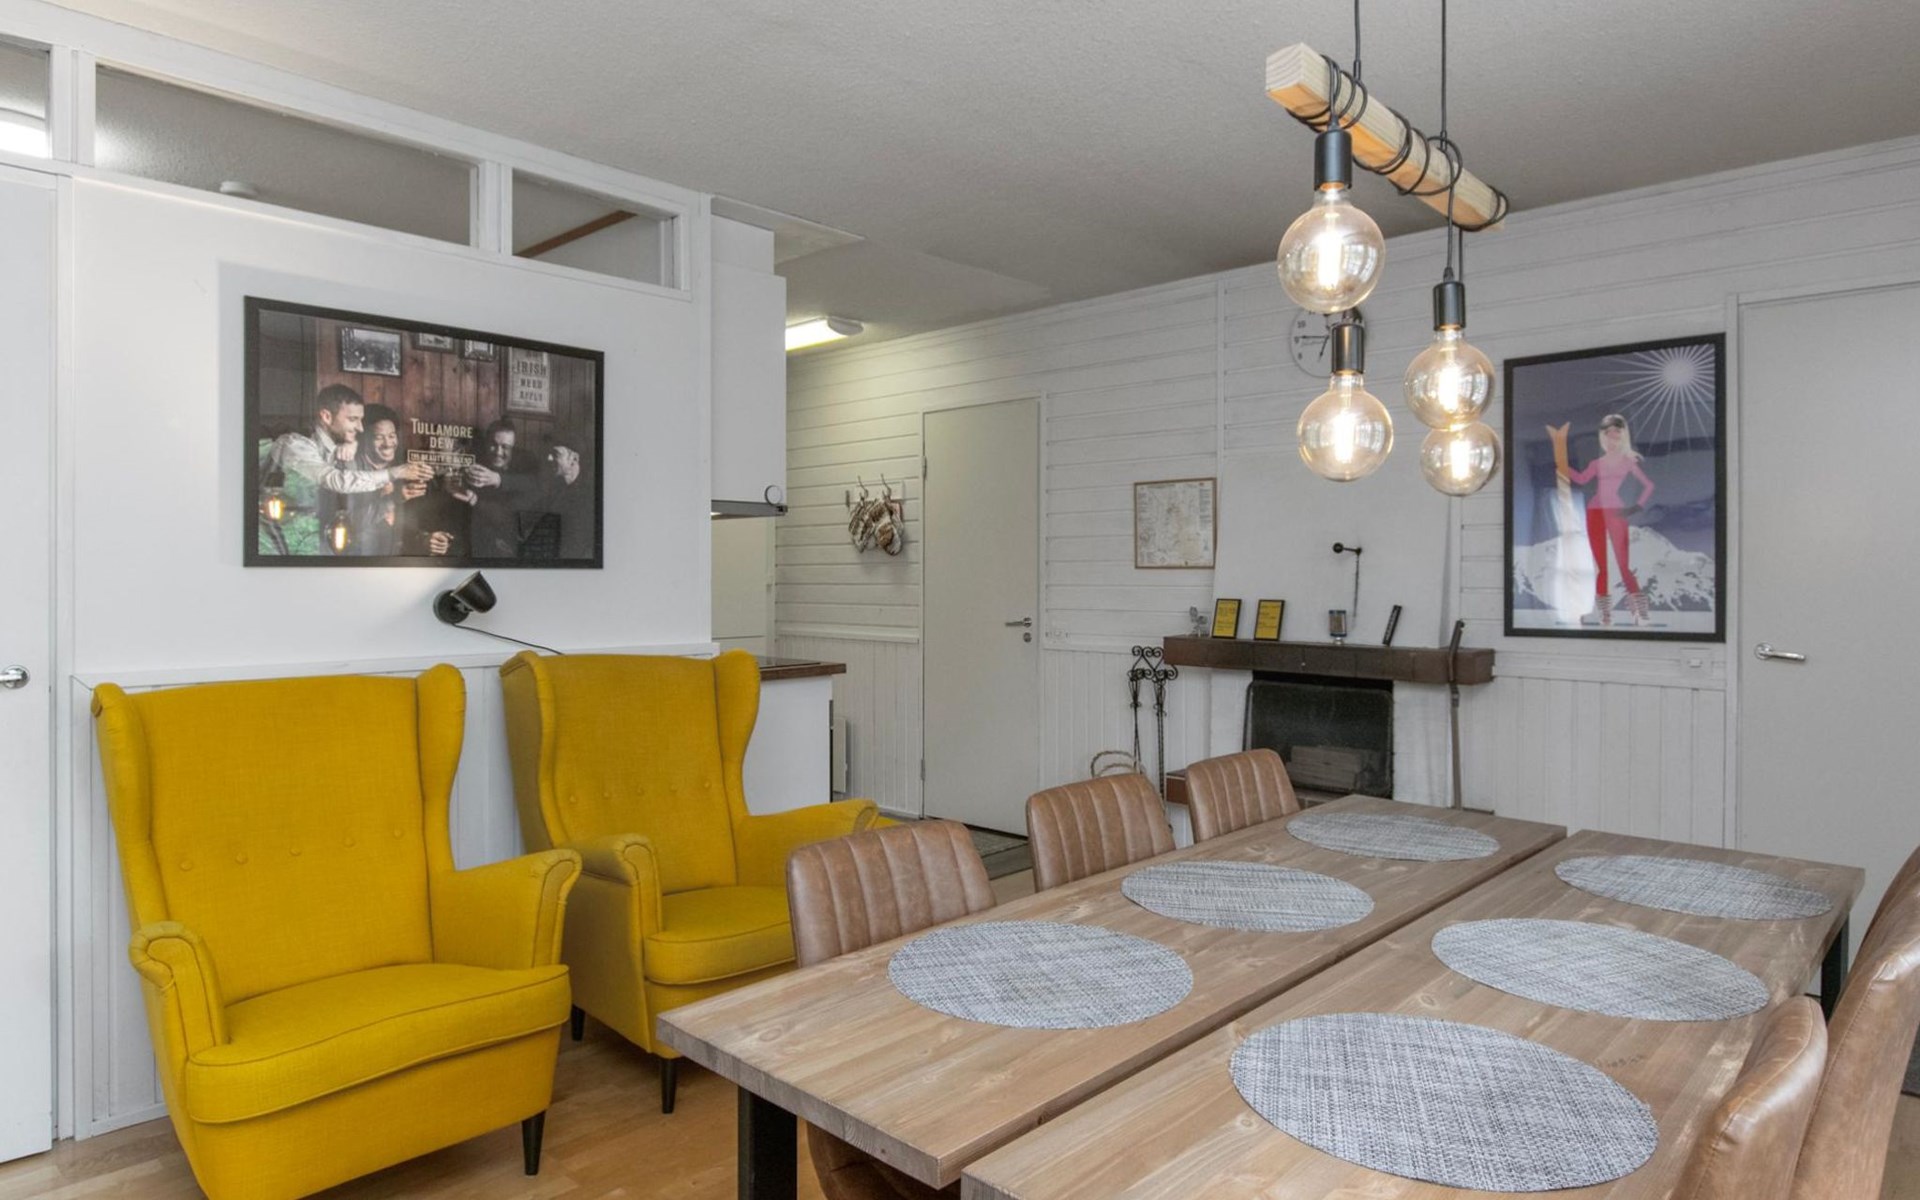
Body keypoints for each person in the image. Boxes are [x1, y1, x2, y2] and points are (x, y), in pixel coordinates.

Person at [260, 384, 431, 556]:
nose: (360, 427)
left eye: (360, 420)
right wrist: (393, 473)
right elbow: (335, 480)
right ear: (327, 416)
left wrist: (352, 443)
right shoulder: (294, 444)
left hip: (308, 544)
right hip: (271, 544)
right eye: (352, 419)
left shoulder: (339, 449)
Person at [1548, 413, 1655, 626]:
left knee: (1623, 564)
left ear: (1623, 436)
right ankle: (1605, 615)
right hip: (1595, 512)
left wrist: (1634, 508)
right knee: (1601, 566)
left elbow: (1648, 486)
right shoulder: (1597, 463)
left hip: (1615, 512)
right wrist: (1562, 466)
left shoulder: (1628, 461)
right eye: (1608, 434)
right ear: (1603, 437)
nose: (1612, 438)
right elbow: (1581, 479)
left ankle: (1640, 612)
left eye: (1617, 433)